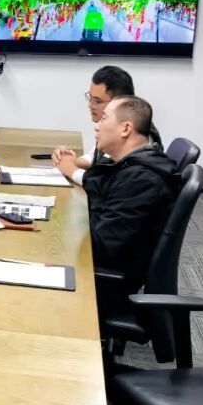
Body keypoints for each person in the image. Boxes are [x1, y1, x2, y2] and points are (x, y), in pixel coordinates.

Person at [82, 95, 177, 280]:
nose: (97, 126)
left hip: (104, 279)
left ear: (125, 129)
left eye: (104, 119)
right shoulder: (129, 165)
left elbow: (101, 248)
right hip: (100, 261)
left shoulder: (141, 180)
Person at [52, 66, 164, 184]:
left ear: (119, 102)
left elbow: (111, 183)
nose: (90, 105)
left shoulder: (139, 137)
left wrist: (71, 170)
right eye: (90, 98)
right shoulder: (113, 126)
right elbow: (96, 158)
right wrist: (70, 161)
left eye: (97, 101)